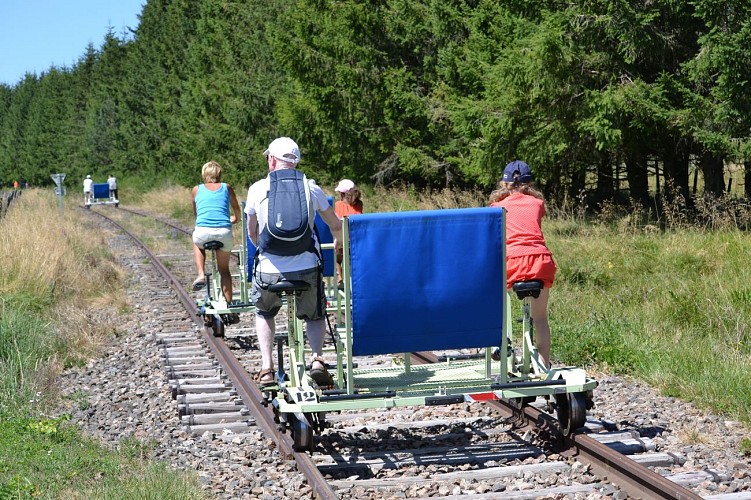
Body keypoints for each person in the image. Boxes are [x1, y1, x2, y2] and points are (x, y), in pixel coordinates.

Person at [245, 137, 343, 387]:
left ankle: (267, 368)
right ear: (296, 161)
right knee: (315, 314)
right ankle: (317, 360)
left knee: (264, 311)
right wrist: (340, 245)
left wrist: (266, 251)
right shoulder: (311, 187)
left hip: (268, 270)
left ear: (272, 160)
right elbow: (335, 226)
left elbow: (252, 232)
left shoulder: (257, 188)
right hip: (306, 268)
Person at [489, 160, 556, 369]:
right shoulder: (537, 203)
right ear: (529, 183)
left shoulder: (496, 207)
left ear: (504, 183)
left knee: (495, 297)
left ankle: (498, 344)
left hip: (513, 262)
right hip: (541, 261)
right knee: (540, 317)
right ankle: (544, 365)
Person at [191, 161, 242, 309]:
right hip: (223, 232)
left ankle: (201, 274)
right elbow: (236, 208)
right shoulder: (227, 187)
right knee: (224, 270)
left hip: (203, 232)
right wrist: (235, 219)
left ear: (204, 174)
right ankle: (229, 305)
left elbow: (197, 213)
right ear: (219, 174)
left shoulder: (196, 189)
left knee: (196, 241)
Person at [333, 179, 363, 289]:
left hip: (341, 240)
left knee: (336, 259)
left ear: (342, 193)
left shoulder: (337, 205)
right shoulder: (359, 204)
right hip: (356, 240)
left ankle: (340, 278)